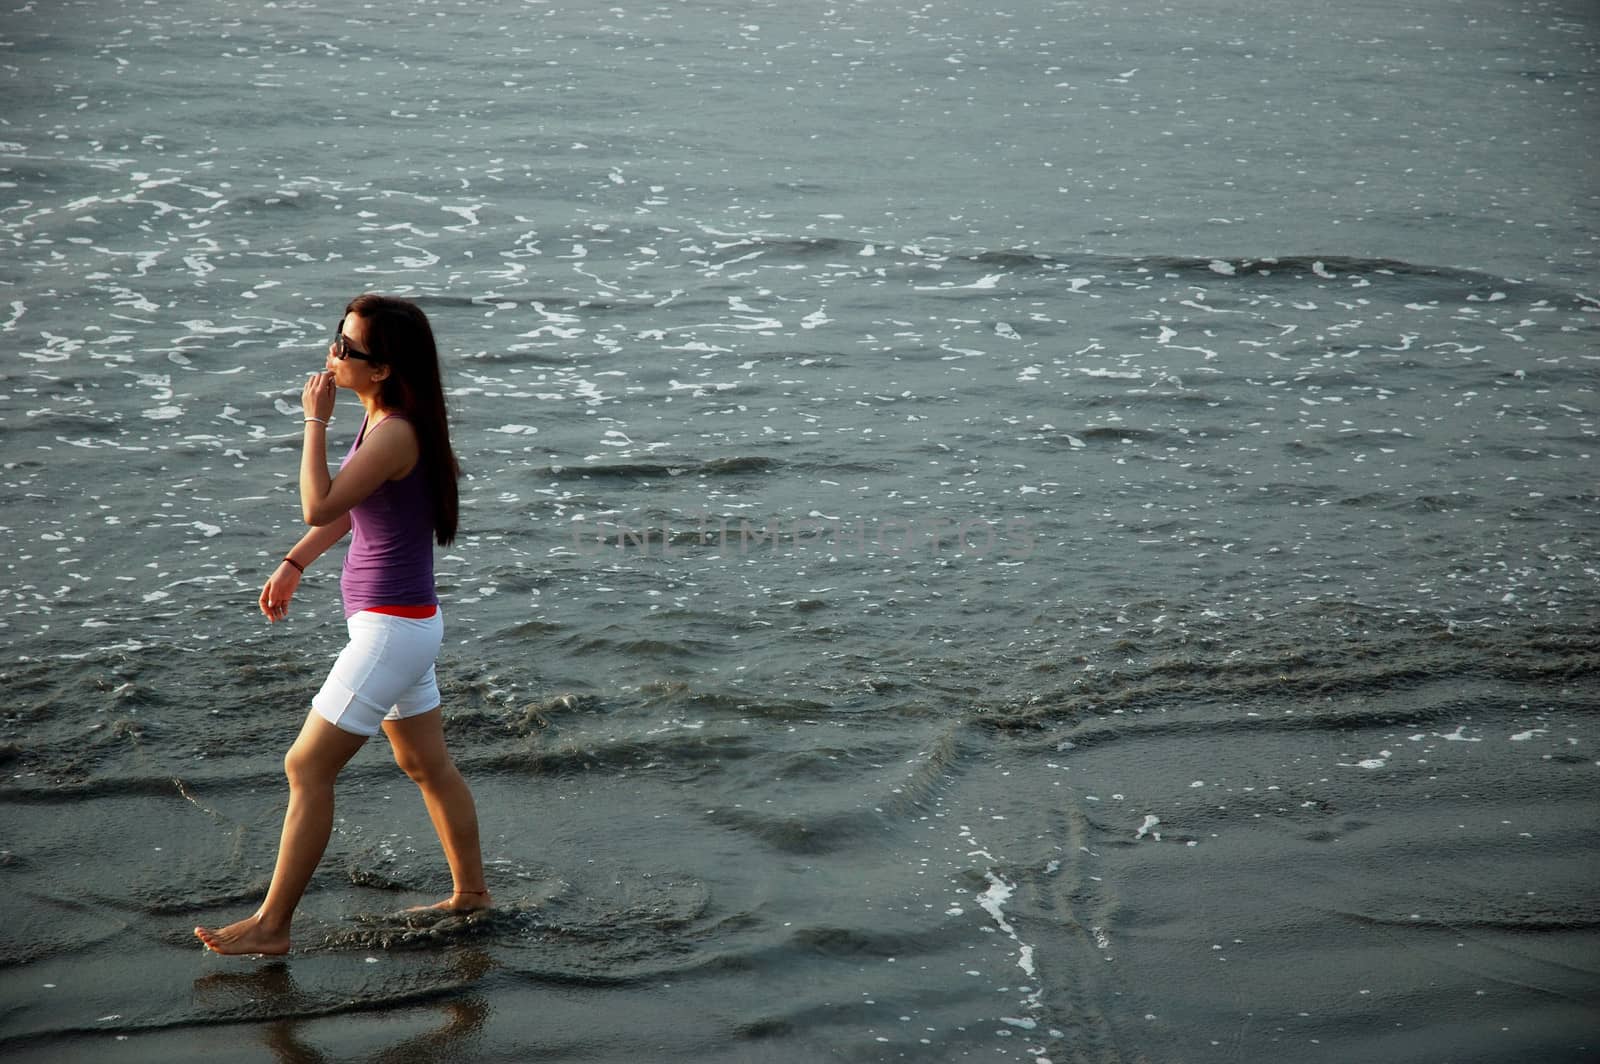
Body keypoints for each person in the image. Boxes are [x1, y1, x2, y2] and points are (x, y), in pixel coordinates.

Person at [195, 294, 490, 956]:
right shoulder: (389, 424)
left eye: (348, 350)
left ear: (383, 368)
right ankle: (472, 896)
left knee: (305, 766)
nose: (333, 355)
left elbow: (316, 502)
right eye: (337, 339)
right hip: (404, 628)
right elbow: (348, 511)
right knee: (425, 764)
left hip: (392, 631)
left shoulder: (390, 433)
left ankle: (272, 926)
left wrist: (312, 421)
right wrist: (295, 563)